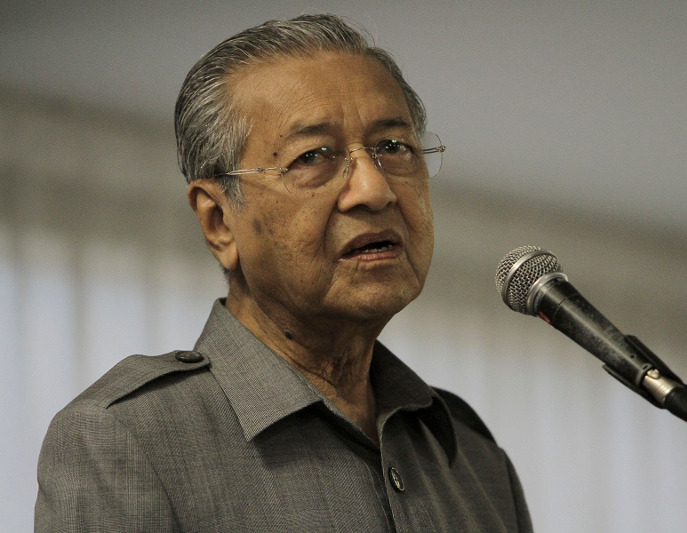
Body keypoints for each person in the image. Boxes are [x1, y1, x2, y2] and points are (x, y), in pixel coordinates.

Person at [35, 14, 533, 532]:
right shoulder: (129, 438)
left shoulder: (472, 457)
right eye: (312, 157)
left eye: (393, 147)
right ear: (219, 221)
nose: (374, 189)